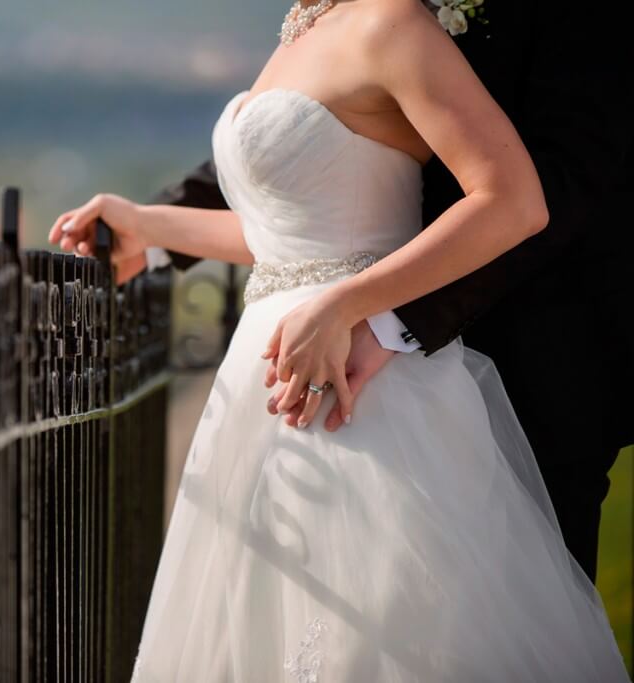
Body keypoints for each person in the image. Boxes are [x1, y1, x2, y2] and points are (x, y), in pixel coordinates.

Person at [49, 0, 630, 679]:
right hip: (267, 387)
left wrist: (359, 304)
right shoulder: (307, 22)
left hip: (379, 379)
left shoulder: (394, 23)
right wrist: (147, 224)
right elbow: (286, 229)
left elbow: (523, 194)